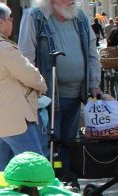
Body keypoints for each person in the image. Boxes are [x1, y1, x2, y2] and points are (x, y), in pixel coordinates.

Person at [18, 0, 102, 171]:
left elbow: (92, 52)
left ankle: (68, 179)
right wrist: (33, 88)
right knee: (50, 144)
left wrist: (94, 83)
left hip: (77, 93)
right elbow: (26, 56)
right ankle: (51, 181)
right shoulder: (35, 17)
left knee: (70, 142)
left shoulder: (80, 18)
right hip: (48, 96)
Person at [0, 2, 48, 171]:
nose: (12, 22)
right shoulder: (3, 49)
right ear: (1, 22)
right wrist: (41, 86)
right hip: (15, 118)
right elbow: (30, 75)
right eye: (10, 19)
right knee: (35, 166)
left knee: (1, 170)